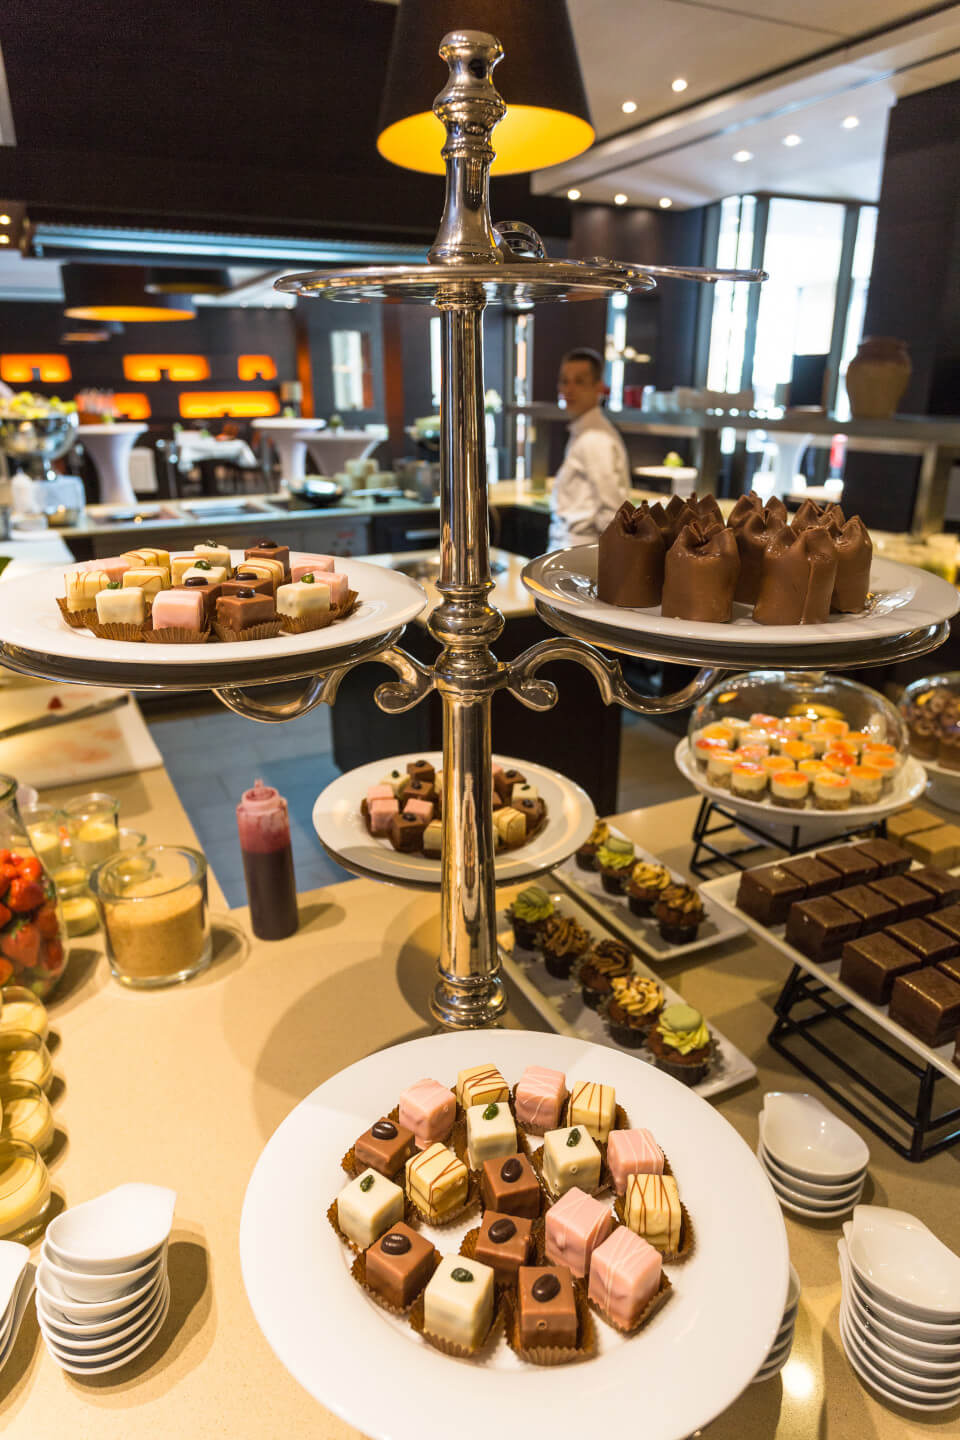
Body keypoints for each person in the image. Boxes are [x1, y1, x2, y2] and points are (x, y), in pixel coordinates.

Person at [548, 347, 630, 550]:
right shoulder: (584, 431)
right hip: (571, 544)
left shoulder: (595, 439)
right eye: (564, 381)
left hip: (580, 549)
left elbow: (611, 512)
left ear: (598, 387)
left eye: (579, 381)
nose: (568, 389)